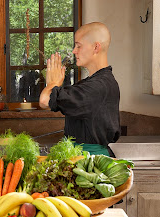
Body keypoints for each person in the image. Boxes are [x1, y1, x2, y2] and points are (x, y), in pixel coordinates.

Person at [39, 22, 120, 156]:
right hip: (83, 159)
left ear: (96, 47)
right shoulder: (95, 82)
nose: (74, 51)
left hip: (90, 165)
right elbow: (52, 101)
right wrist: (54, 85)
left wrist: (52, 83)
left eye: (78, 46)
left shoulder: (97, 87)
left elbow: (44, 100)